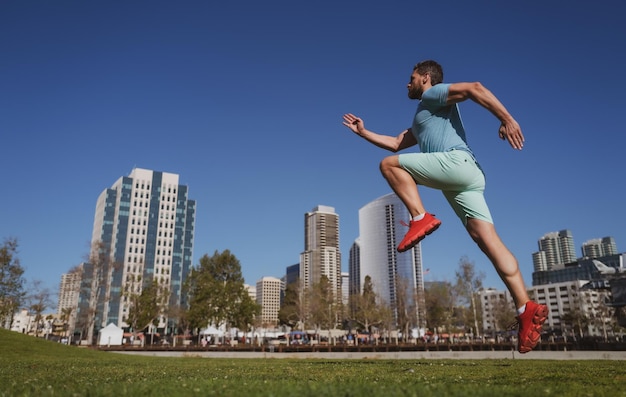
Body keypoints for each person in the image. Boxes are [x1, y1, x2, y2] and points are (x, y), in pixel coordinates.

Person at [342, 59, 547, 354]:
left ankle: (420, 216)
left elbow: (475, 89)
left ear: (425, 78)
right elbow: (398, 142)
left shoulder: (432, 94)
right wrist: (364, 132)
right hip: (466, 177)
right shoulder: (424, 116)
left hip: (455, 162)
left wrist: (507, 119)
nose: (407, 83)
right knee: (487, 241)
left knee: (388, 167)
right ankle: (524, 307)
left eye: (411, 77)